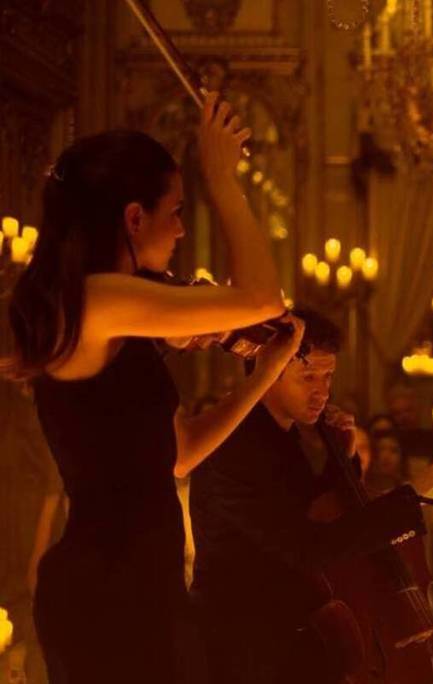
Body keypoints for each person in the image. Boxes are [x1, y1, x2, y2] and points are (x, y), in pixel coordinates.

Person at [6, 93, 290, 683]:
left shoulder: (112, 311)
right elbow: (263, 299)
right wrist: (223, 181)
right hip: (107, 594)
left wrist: (263, 378)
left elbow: (179, 454)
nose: (184, 228)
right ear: (134, 218)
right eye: (178, 210)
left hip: (142, 586)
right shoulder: (99, 299)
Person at [188, 308, 433, 684]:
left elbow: (317, 510)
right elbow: (308, 546)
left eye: (328, 376)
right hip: (245, 643)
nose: (322, 391)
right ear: (267, 371)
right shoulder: (234, 444)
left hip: (295, 631)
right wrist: (413, 494)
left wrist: (342, 461)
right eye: (308, 376)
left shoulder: (283, 434)